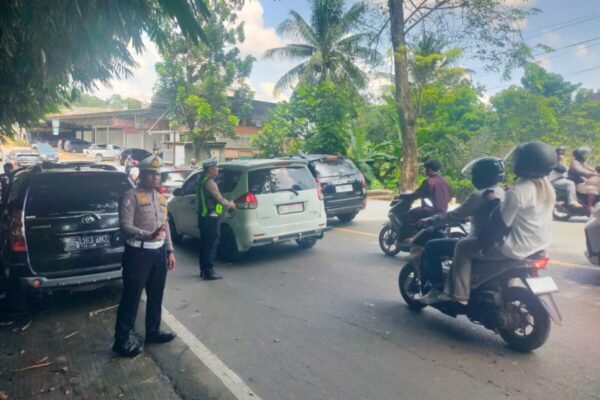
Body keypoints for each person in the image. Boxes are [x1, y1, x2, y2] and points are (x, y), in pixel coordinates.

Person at [420, 141, 556, 305]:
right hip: (538, 247)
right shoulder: (545, 188)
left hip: (513, 248)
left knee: (462, 246)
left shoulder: (513, 192)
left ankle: (457, 294)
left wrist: (485, 244)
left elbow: (499, 224)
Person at [113, 156, 177, 357]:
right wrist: (148, 234)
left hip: (158, 253)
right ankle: (122, 341)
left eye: (158, 174)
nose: (156, 177)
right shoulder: (130, 196)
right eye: (151, 173)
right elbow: (125, 226)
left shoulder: (161, 198)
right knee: (131, 297)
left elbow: (165, 227)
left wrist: (170, 250)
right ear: (142, 175)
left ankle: (153, 331)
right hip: (138, 254)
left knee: (156, 295)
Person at [417, 157, 506, 294]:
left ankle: (437, 289)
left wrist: (430, 220)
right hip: (500, 242)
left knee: (431, 246)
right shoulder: (502, 192)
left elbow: (453, 215)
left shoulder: (479, 195)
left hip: (481, 241)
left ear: (480, 176)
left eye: (474, 174)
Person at [196, 157, 236, 280]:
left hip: (202, 216)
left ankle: (203, 270)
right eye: (216, 167)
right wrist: (230, 204)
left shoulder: (201, 179)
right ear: (210, 168)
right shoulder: (210, 182)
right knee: (211, 245)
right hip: (210, 218)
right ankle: (209, 271)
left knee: (204, 244)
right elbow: (219, 199)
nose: (218, 169)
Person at [398, 159, 450, 240]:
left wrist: (401, 196)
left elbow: (416, 194)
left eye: (426, 169)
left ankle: (407, 238)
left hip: (429, 211)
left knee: (408, 214)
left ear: (429, 169)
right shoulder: (445, 182)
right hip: (443, 211)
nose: (425, 171)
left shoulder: (429, 182)